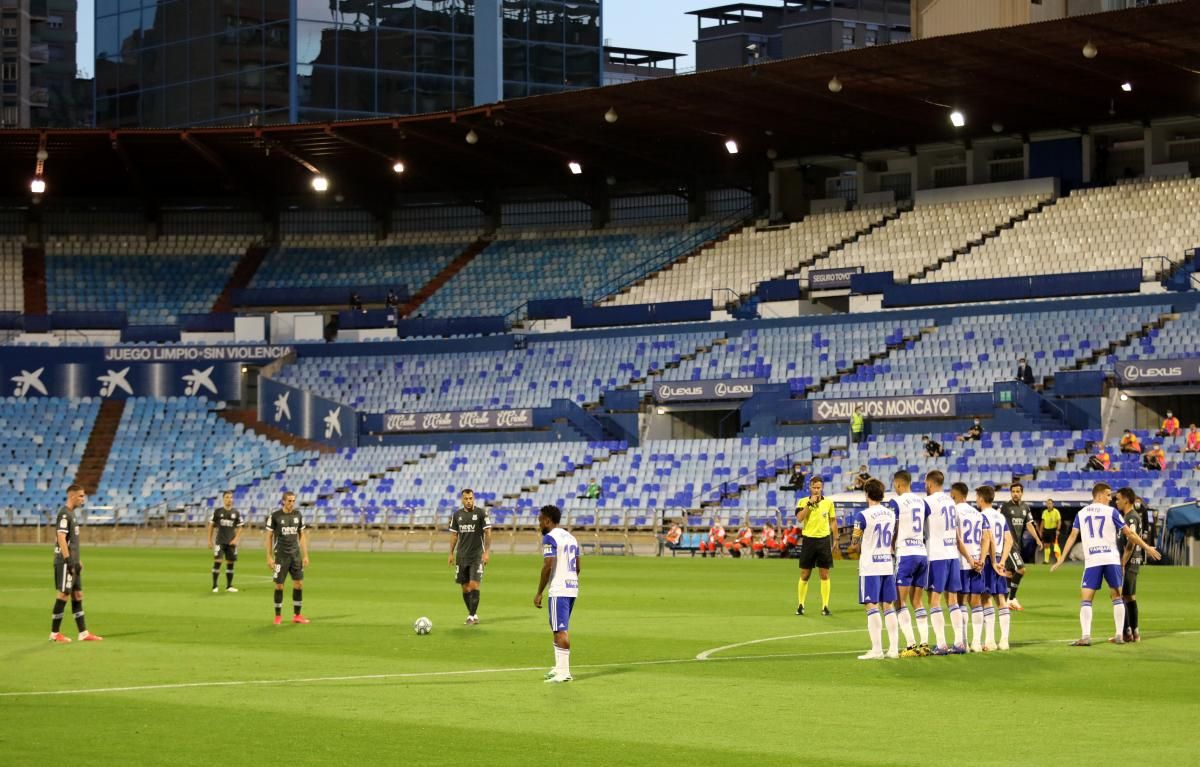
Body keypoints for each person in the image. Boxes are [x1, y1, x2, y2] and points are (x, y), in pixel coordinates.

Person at [1051, 482, 1161, 646]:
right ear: (1100, 495)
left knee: (1086, 599)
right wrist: (1146, 547)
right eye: (1108, 495)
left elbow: (1073, 536)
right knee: (1117, 596)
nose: (1111, 499)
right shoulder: (1112, 512)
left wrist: (1061, 558)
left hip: (1093, 560)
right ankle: (1118, 635)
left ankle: (1086, 636)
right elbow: (1129, 533)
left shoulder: (1081, 513)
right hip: (1111, 559)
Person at [849, 478, 901, 660]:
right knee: (888, 606)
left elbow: (854, 544)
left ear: (867, 494)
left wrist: (854, 543)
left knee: (871, 606)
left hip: (870, 566)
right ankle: (894, 649)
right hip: (887, 563)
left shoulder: (862, 516)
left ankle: (877, 650)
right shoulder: (890, 514)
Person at [923, 471, 970, 656]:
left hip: (937, 555)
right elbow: (957, 534)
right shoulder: (951, 502)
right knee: (952, 600)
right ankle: (959, 642)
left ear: (929, 483)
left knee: (934, 600)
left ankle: (941, 644)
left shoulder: (928, 502)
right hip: (952, 555)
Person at [49, 484, 103, 643]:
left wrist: (77, 560)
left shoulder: (72, 514)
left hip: (72, 562)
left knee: (77, 594)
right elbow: (60, 538)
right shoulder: (64, 514)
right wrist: (68, 560)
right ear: (72, 496)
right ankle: (54, 633)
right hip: (65, 562)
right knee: (64, 594)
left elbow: (71, 541)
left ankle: (83, 633)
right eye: (80, 496)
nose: (83, 499)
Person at [534, 504, 580, 684]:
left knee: (560, 630)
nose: (539, 524)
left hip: (559, 588)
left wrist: (539, 592)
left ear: (547, 520)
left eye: (540, 520)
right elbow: (578, 566)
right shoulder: (571, 537)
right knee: (557, 627)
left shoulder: (550, 538)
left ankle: (564, 672)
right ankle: (559, 668)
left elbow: (548, 564)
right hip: (571, 587)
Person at [888, 470, 931, 657]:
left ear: (898, 484)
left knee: (899, 601)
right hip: (922, 553)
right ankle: (925, 643)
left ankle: (911, 645)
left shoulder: (895, 502)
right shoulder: (922, 501)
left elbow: (893, 527)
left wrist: (890, 546)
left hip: (906, 554)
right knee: (918, 601)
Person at [953, 482, 992, 653]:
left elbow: (957, 539)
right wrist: (982, 559)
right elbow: (986, 538)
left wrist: (969, 559)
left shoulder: (954, 512)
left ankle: (964, 642)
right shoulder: (978, 514)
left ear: (954, 495)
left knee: (961, 602)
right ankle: (976, 642)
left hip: (963, 562)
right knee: (976, 603)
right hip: (978, 563)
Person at [795, 476, 837, 616]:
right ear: (810, 487)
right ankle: (801, 604)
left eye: (819, 487)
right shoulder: (802, 501)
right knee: (805, 574)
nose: (817, 490)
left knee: (824, 574)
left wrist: (835, 538)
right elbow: (800, 518)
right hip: (809, 540)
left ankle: (825, 606)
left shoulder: (829, 503)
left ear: (822, 487)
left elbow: (832, 521)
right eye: (814, 487)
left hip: (824, 540)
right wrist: (809, 504)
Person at [266, 491, 310, 625]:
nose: (291, 503)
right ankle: (278, 616)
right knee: (279, 585)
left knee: (299, 584)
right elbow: (268, 537)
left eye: (293, 501)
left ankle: (297, 615)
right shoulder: (275, 516)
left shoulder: (298, 515)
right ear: (283, 501)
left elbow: (301, 536)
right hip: (281, 556)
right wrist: (269, 557)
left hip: (295, 556)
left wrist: (305, 555)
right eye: (289, 501)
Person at [448, 488, 491, 624]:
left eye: (470, 498)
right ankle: (473, 613)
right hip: (461, 556)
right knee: (465, 587)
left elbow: (488, 532)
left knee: (473, 584)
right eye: (466, 499)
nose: (468, 501)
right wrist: (450, 553)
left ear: (474, 499)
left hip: (476, 555)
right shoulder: (457, 515)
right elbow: (454, 535)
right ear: (462, 499)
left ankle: (471, 616)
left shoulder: (481, 513)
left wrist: (486, 552)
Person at [979, 486, 1014, 651]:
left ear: (980, 499)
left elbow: (989, 539)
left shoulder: (980, 516)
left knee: (986, 599)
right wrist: (1002, 560)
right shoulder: (1000, 516)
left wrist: (992, 560)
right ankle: (1004, 641)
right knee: (1001, 599)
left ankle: (990, 641)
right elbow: (1009, 540)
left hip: (987, 559)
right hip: (1000, 559)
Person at [1114, 489, 1146, 643]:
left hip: (1129, 562)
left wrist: (1122, 562)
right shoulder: (1127, 516)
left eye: (1118, 498)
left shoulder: (1131, 517)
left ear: (1126, 500)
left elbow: (1131, 541)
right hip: (1132, 562)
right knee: (1128, 596)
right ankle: (1134, 632)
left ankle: (1127, 632)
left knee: (1121, 596)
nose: (1116, 501)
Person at [999, 482, 1036, 610]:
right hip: (1008, 544)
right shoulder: (1005, 507)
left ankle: (1004, 601)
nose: (1015, 494)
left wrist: (1037, 539)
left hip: (1017, 545)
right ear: (1011, 493)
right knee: (1021, 569)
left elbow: (1029, 524)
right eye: (1013, 491)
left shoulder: (1025, 507)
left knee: (1009, 573)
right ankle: (1011, 599)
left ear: (1022, 493)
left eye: (1017, 491)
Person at [207, 490, 244, 593]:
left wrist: (236, 539)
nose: (229, 499)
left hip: (231, 543)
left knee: (230, 563)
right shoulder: (218, 512)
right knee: (218, 562)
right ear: (223, 499)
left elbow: (240, 527)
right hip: (220, 541)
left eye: (231, 497)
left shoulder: (236, 512)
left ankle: (229, 586)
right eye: (227, 497)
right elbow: (211, 526)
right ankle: (214, 586)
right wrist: (209, 540)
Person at [1040, 498, 1062, 564]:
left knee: (1055, 545)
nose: (1049, 505)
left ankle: (1059, 560)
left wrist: (1058, 530)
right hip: (1046, 530)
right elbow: (1042, 522)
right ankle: (1046, 560)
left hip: (1053, 530)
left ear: (1053, 504)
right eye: (1048, 503)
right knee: (1046, 545)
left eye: (1050, 503)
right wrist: (1041, 531)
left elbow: (1059, 521)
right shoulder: (1044, 512)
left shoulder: (1056, 511)